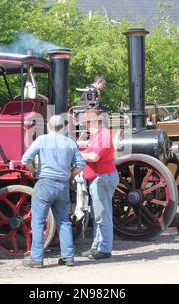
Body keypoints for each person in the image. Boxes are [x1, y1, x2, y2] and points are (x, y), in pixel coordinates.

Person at [21, 115, 85, 268]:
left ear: (48, 127)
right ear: (62, 128)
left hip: (45, 183)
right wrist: (70, 176)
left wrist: (34, 171)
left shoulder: (42, 140)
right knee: (63, 221)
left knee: (38, 222)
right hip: (62, 185)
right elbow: (81, 165)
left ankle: (36, 258)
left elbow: (25, 160)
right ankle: (68, 257)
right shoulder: (70, 143)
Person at [80, 109, 119, 260]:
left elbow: (94, 157)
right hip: (102, 176)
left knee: (103, 214)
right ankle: (97, 246)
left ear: (96, 121)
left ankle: (105, 249)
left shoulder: (102, 135)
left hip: (102, 178)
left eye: (88, 122)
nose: (87, 126)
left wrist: (76, 152)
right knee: (99, 214)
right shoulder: (99, 135)